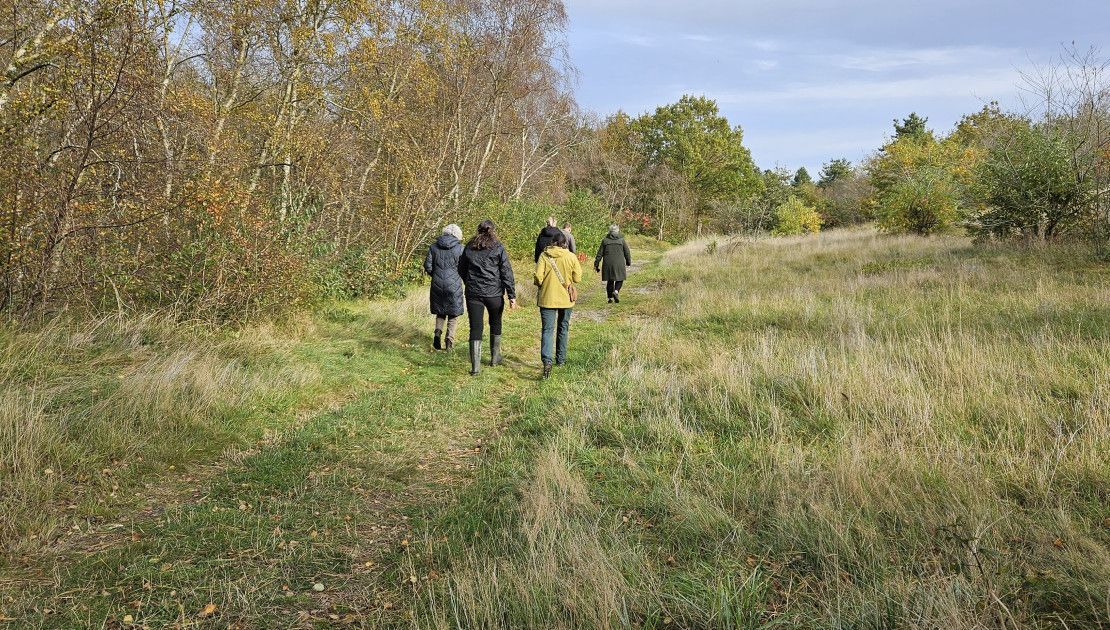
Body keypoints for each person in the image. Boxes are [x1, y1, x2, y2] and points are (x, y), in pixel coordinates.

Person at [459, 220, 517, 375]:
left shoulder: (469, 246)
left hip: (474, 293)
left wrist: (469, 282)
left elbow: (461, 268)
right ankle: (494, 357)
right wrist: (511, 295)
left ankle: (475, 368)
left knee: (475, 328)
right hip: (494, 294)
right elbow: (506, 271)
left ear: (478, 230)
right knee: (495, 323)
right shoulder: (498, 247)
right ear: (493, 230)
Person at [534, 231, 581, 379]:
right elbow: (577, 278)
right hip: (566, 299)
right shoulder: (571, 256)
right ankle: (560, 360)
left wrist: (540, 283)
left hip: (547, 298)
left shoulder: (544, 255)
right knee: (563, 327)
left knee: (547, 330)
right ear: (564, 243)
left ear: (552, 242)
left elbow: (538, 277)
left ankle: (547, 361)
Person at [423, 224, 465, 351]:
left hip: (437, 284)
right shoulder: (460, 248)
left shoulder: (433, 247)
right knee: (453, 313)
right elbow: (464, 267)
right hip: (454, 286)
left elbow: (427, 265)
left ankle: (437, 334)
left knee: (440, 311)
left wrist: (435, 275)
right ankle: (449, 340)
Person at [595, 224, 632, 303]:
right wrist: (628, 262)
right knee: (620, 278)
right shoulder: (621, 240)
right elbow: (627, 252)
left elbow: (599, 253)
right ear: (617, 231)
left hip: (608, 263)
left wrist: (596, 264)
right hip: (619, 263)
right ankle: (616, 291)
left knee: (610, 280)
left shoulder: (605, 240)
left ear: (609, 231)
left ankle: (610, 298)